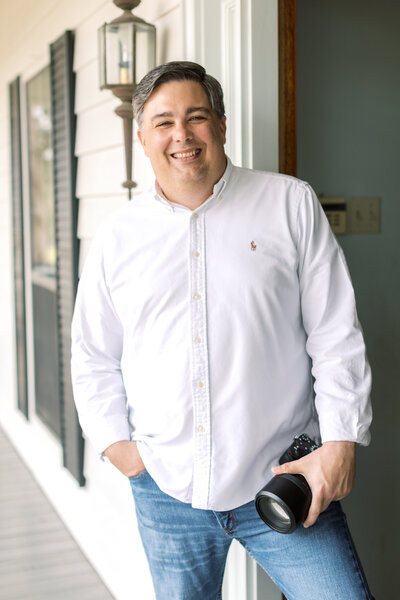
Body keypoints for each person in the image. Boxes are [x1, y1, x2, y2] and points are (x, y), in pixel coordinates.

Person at [71, 61, 374, 600]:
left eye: (196, 117)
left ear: (222, 124)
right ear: (143, 137)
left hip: (286, 474)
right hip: (167, 489)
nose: (181, 135)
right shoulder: (118, 236)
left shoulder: (288, 203)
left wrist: (342, 440)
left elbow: (335, 332)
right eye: (163, 122)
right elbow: (93, 353)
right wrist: (121, 448)